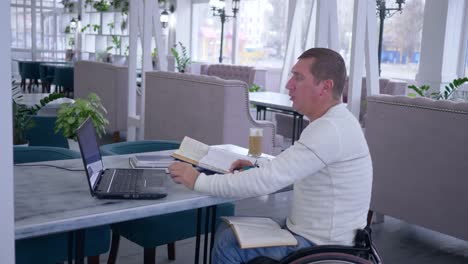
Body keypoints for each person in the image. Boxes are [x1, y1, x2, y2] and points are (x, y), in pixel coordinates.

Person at [169, 47, 372, 264]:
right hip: (322, 236)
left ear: (325, 86)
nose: (288, 85)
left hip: (321, 246)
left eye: (298, 77)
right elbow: (294, 166)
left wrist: (197, 180)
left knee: (227, 245)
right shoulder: (337, 122)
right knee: (226, 229)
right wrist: (259, 166)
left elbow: (268, 181)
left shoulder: (330, 129)